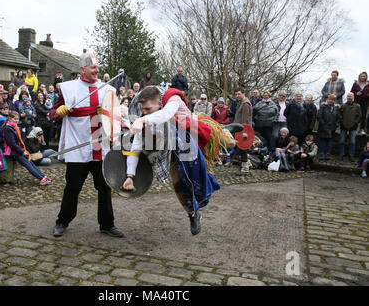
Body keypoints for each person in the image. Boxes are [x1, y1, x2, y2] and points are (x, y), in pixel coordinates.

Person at [122, 86, 222, 235]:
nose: (144, 112)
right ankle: (193, 213)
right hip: (173, 151)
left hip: (195, 135)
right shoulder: (145, 121)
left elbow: (167, 114)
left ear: (159, 103)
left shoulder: (172, 98)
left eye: (148, 109)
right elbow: (135, 149)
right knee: (179, 185)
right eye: (143, 110)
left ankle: (227, 131)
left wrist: (143, 119)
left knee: (227, 140)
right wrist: (130, 176)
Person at [51, 50, 124, 239]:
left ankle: (107, 224)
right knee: (72, 186)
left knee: (104, 187)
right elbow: (51, 113)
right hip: (79, 145)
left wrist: (107, 113)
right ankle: (62, 221)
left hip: (100, 146)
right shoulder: (68, 89)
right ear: (82, 69)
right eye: (93, 67)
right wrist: (58, 112)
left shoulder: (108, 89)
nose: (96, 70)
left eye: (98, 67)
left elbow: (116, 119)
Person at [0, 111, 54, 185]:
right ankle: (42, 179)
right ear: (9, 118)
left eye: (17, 119)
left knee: (30, 163)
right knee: (28, 165)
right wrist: (22, 152)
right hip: (14, 152)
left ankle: (43, 177)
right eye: (14, 119)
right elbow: (12, 144)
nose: (16, 120)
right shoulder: (8, 129)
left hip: (18, 150)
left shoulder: (13, 128)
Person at [233, 88, 253, 175]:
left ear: (243, 94)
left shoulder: (245, 104)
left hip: (243, 130)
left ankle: (245, 168)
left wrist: (244, 132)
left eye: (239, 94)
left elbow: (246, 119)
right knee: (240, 148)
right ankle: (248, 163)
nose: (237, 96)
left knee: (243, 148)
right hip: (239, 129)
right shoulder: (241, 103)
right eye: (236, 94)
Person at [339, 92, 362, 161]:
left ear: (353, 97)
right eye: (348, 96)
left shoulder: (357, 106)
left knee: (352, 142)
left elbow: (359, 116)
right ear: (347, 97)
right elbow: (339, 115)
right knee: (342, 141)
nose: (349, 97)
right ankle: (341, 154)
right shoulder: (343, 105)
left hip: (353, 127)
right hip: (343, 126)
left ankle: (351, 155)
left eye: (350, 96)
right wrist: (342, 122)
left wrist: (355, 123)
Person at [317, 94, 340, 161]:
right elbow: (319, 116)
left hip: (332, 127)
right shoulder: (323, 106)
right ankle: (321, 153)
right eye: (330, 99)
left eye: (332, 99)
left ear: (334, 101)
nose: (331, 101)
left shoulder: (336, 108)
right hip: (323, 127)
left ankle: (328, 153)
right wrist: (323, 124)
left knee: (329, 141)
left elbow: (338, 117)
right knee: (322, 140)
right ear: (327, 100)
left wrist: (336, 124)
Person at [350, 72, 369, 136]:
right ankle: (354, 129)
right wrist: (356, 94)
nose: (363, 77)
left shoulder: (368, 84)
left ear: (366, 77)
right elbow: (351, 93)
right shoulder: (355, 84)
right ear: (359, 77)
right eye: (361, 76)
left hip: (365, 101)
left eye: (364, 76)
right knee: (356, 115)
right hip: (357, 101)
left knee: (363, 115)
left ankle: (362, 129)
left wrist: (364, 94)